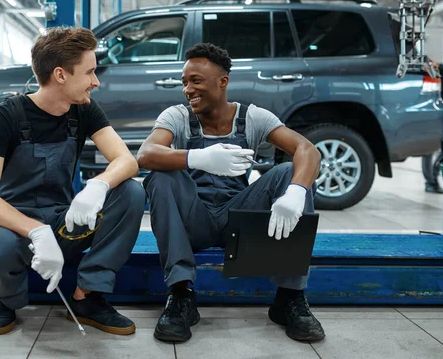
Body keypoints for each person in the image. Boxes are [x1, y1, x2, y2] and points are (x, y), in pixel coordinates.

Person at [137, 43, 325, 343]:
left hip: (238, 222)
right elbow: (145, 155)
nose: (188, 89)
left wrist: (295, 192)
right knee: (160, 176)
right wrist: (197, 158)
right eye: (185, 82)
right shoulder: (178, 116)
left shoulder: (253, 117)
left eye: (196, 81)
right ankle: (181, 294)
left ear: (223, 82)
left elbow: (308, 150)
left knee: (290, 172)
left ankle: (289, 298)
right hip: (193, 220)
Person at [0, 26, 146, 336]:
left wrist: (98, 186)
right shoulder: (6, 115)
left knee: (130, 192)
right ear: (61, 75)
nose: (96, 81)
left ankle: (87, 296)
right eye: (89, 72)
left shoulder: (84, 110)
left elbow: (127, 161)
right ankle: (5, 298)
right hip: (11, 225)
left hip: (64, 222)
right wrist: (35, 230)